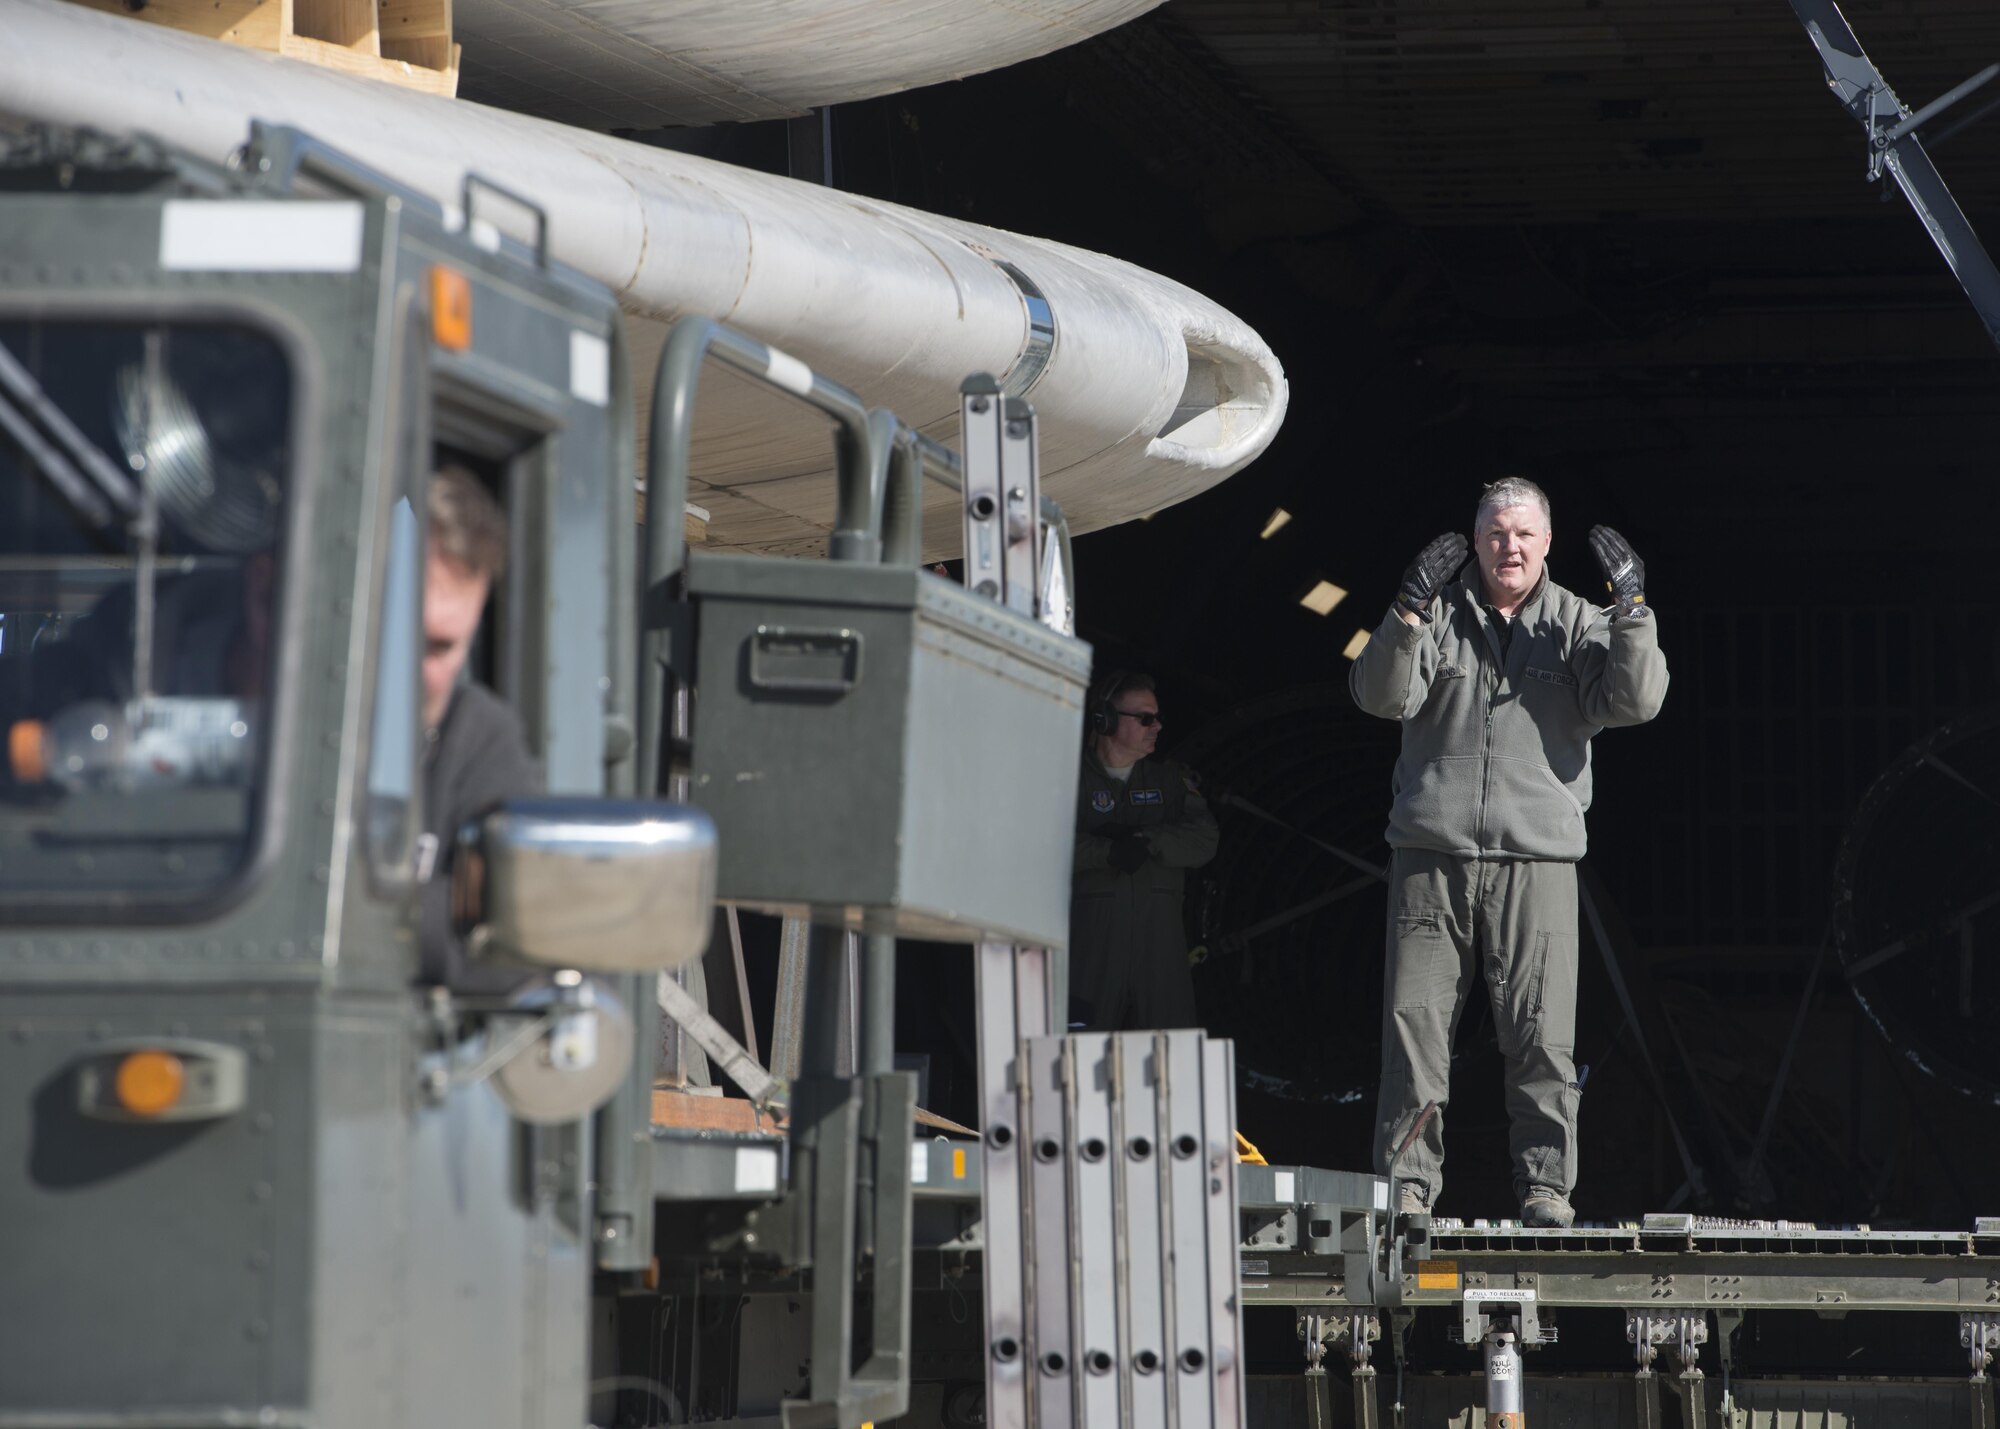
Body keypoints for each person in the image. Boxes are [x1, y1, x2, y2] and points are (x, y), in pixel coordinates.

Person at [1349, 478, 1667, 1228]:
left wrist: (1633, 611)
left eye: (1524, 534)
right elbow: (1377, 695)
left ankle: (1546, 1188)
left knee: (1541, 1031)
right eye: (1496, 533)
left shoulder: (1580, 623)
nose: (1509, 547)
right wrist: (1404, 611)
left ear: (1546, 543)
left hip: (1537, 861)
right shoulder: (1437, 617)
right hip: (1431, 856)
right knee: (1415, 1025)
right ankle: (1407, 1187)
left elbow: (1638, 700)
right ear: (1478, 538)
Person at [418, 464, 539, 989]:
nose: (411, 668)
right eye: (396, 629)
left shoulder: (478, 739)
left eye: (441, 647)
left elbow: (516, 938)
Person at [1069, 670, 1219, 1031]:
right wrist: (1106, 852)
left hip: (1160, 947)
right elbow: (1039, 845)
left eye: (1158, 718)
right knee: (1078, 1053)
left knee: (1171, 1055)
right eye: (1145, 718)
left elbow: (1205, 839)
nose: (1157, 727)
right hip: (1091, 945)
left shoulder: (1169, 782)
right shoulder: (1068, 779)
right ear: (1104, 719)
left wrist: (1148, 841)